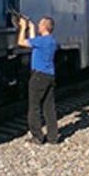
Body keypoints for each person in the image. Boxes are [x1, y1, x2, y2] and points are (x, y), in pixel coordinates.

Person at [17, 15, 59, 145]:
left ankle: (38, 136)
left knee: (34, 107)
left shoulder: (41, 41)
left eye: (40, 24)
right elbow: (35, 42)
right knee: (49, 108)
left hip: (38, 77)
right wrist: (32, 28)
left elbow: (21, 42)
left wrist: (23, 28)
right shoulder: (52, 41)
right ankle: (53, 137)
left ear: (45, 27)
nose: (39, 25)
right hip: (49, 76)